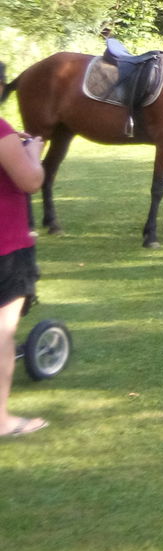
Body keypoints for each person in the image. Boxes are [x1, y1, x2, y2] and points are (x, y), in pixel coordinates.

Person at [0, 114, 48, 437]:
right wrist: (32, 152)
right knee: (3, 333)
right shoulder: (2, 131)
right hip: (6, 245)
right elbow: (30, 181)